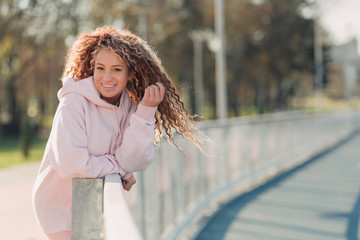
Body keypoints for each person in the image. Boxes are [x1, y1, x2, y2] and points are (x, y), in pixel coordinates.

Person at [32, 26, 204, 240]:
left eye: (116, 69)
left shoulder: (129, 107)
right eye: (100, 68)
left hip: (96, 206)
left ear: (131, 73)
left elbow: (135, 161)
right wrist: (118, 167)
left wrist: (145, 112)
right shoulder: (73, 102)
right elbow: (72, 165)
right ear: (92, 68)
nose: (107, 77)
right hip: (59, 209)